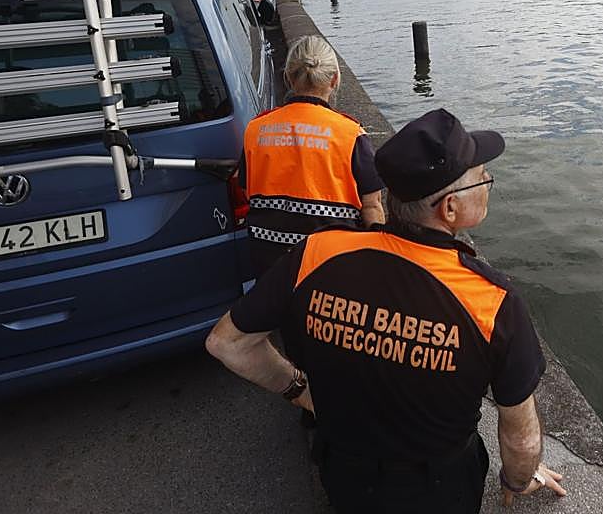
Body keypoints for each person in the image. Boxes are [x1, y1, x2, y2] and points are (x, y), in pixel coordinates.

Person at [207, 108, 567, 513]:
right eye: (484, 179)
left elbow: (227, 344)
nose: (488, 186)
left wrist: (300, 390)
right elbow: (520, 438)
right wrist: (518, 479)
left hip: (344, 471)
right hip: (438, 488)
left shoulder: (317, 253)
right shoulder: (492, 301)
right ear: (449, 209)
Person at [239, 35, 384, 277]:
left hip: (270, 265)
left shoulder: (256, 130)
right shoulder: (351, 135)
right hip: (331, 265)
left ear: (288, 78)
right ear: (334, 80)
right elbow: (372, 206)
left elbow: (247, 191)